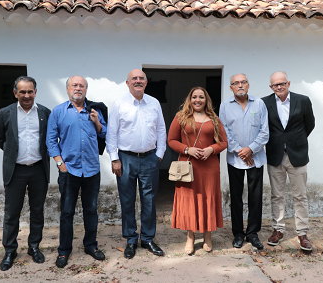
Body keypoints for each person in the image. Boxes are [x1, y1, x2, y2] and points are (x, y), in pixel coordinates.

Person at [46, 75, 107, 268]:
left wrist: (97, 121)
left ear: (86, 89)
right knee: (66, 212)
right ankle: (64, 250)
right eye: (74, 85)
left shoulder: (94, 110)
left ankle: (91, 245)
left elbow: (104, 133)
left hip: (91, 169)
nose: (78, 88)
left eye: (81, 85)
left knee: (91, 210)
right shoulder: (58, 111)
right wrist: (60, 164)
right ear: (68, 89)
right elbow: (50, 140)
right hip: (69, 170)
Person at [106, 69, 167, 259]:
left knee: (149, 199)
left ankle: (148, 238)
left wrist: (159, 154)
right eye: (135, 79)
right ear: (127, 83)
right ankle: (131, 239)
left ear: (146, 82)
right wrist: (114, 158)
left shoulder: (154, 103)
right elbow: (112, 133)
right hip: (126, 159)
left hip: (149, 158)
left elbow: (161, 130)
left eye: (141, 78)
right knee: (127, 200)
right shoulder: (119, 104)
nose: (138, 81)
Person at [0, 76, 51, 271]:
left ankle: (34, 247)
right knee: (11, 213)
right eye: (22, 92)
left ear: (35, 92)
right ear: (15, 93)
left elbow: (50, 139)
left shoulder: (45, 113)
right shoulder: (5, 113)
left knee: (37, 211)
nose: (26, 95)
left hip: (38, 170)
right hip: (15, 170)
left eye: (30, 91)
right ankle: (10, 250)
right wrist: (14, 155)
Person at [168, 87, 227, 255]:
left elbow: (223, 142)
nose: (198, 100)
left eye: (201, 97)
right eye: (194, 97)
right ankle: (190, 237)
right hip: (187, 166)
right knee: (189, 201)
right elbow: (171, 140)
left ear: (206, 99)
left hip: (209, 167)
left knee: (208, 199)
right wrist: (187, 149)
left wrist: (211, 149)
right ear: (190, 99)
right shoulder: (181, 117)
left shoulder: (214, 118)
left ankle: (208, 235)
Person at [262, 71, 315, 251]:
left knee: (300, 196)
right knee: (277, 195)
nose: (279, 87)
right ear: (271, 87)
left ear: (288, 83)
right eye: (275, 85)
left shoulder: (303, 100)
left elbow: (310, 124)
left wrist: (295, 141)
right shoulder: (265, 102)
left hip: (297, 155)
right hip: (275, 154)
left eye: (282, 83)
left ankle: (302, 233)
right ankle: (278, 230)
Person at [219, 74, 269, 250]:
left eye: (243, 82)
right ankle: (238, 234)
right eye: (236, 83)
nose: (240, 85)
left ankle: (253, 233)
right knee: (236, 197)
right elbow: (223, 131)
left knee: (255, 196)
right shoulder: (225, 106)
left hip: (256, 157)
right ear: (231, 87)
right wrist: (241, 151)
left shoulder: (259, 104)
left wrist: (251, 149)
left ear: (248, 85)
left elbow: (265, 131)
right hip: (235, 158)